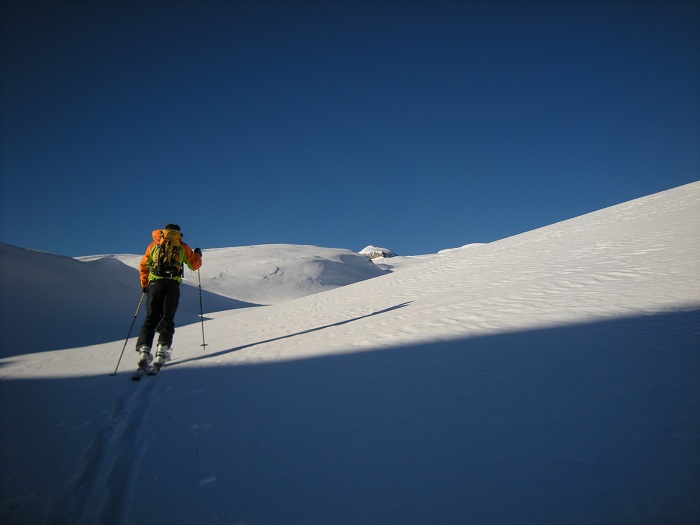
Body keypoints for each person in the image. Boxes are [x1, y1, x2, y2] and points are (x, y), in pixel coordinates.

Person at [135, 224, 202, 369]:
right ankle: (162, 351)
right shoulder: (181, 246)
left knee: (151, 317)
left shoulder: (154, 245)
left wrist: (145, 285)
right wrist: (198, 255)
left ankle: (144, 351)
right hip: (172, 286)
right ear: (179, 233)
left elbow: (144, 265)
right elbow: (194, 265)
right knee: (167, 318)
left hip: (155, 285)